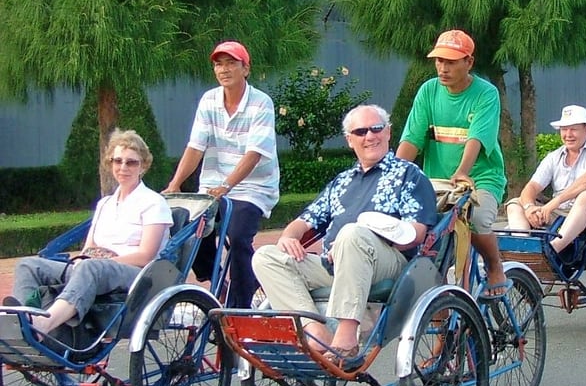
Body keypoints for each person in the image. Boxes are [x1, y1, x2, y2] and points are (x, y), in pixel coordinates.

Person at [252, 105, 437, 367]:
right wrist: (288, 237)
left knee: (352, 234)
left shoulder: (408, 174)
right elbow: (303, 221)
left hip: (389, 263)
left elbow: (415, 234)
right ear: (349, 140)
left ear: (388, 133)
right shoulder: (341, 181)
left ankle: (347, 335)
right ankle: (316, 332)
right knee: (265, 257)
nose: (369, 136)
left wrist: (365, 236)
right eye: (360, 131)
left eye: (376, 128)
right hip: (335, 263)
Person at [5, 130, 173, 335]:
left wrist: (104, 262)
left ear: (143, 165)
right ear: (110, 163)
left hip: (135, 274)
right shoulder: (105, 204)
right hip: (95, 267)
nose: (123, 167)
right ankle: (22, 320)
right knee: (29, 265)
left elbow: (146, 255)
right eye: (117, 161)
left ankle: (42, 326)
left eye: (131, 162)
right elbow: (89, 247)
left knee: (91, 268)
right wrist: (83, 260)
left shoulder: (154, 202)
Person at [163, 41, 279, 309]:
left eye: (231, 63)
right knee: (188, 227)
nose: (223, 69)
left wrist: (227, 185)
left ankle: (240, 304)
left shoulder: (261, 103)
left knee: (238, 235)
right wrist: (175, 183)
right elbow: (195, 147)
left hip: (253, 187)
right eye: (218, 64)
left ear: (245, 69)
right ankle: (215, 281)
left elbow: (254, 153)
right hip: (213, 186)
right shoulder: (208, 100)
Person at [396, 29, 509, 298]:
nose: (442, 68)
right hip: (437, 181)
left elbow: (477, 138)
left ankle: (494, 266)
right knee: (425, 238)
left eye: (450, 62)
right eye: (439, 61)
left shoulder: (486, 93)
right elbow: (412, 139)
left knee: (478, 219)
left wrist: (462, 171)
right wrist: (393, 174)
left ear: (469, 62)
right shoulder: (428, 91)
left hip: (480, 177)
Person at [505, 105, 586, 261]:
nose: (568, 135)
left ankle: (552, 250)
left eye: (573, 129)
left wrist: (553, 204)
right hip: (559, 211)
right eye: (564, 129)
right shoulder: (554, 156)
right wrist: (529, 208)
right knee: (515, 204)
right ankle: (524, 251)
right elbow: (532, 187)